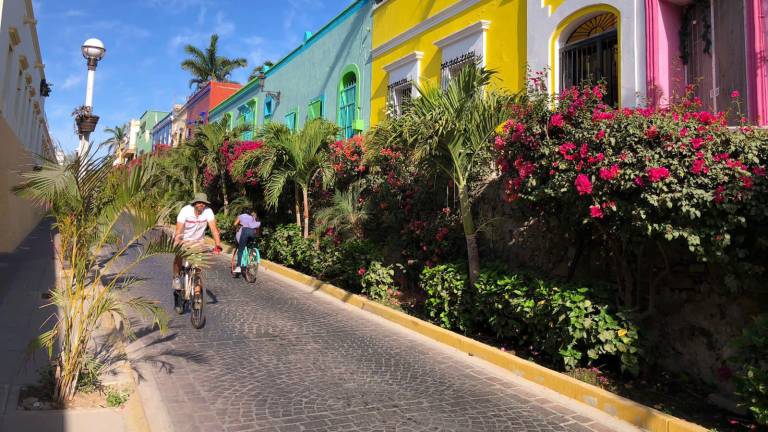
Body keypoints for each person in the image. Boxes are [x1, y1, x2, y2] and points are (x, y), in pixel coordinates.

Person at [172, 193, 222, 301]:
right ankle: (176, 276)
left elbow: (214, 229)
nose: (201, 205)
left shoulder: (208, 212)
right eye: (199, 202)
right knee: (179, 255)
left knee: (198, 266)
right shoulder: (185, 211)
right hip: (183, 238)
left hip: (198, 241)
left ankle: (197, 294)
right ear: (194, 203)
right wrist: (178, 242)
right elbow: (179, 230)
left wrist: (217, 245)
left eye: (203, 203)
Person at [233, 209, 261, 274]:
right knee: (250, 244)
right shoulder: (252, 217)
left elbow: (235, 224)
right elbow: (256, 228)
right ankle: (252, 253)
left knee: (240, 250)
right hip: (252, 233)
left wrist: (237, 227)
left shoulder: (241, 216)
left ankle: (238, 267)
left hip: (245, 231)